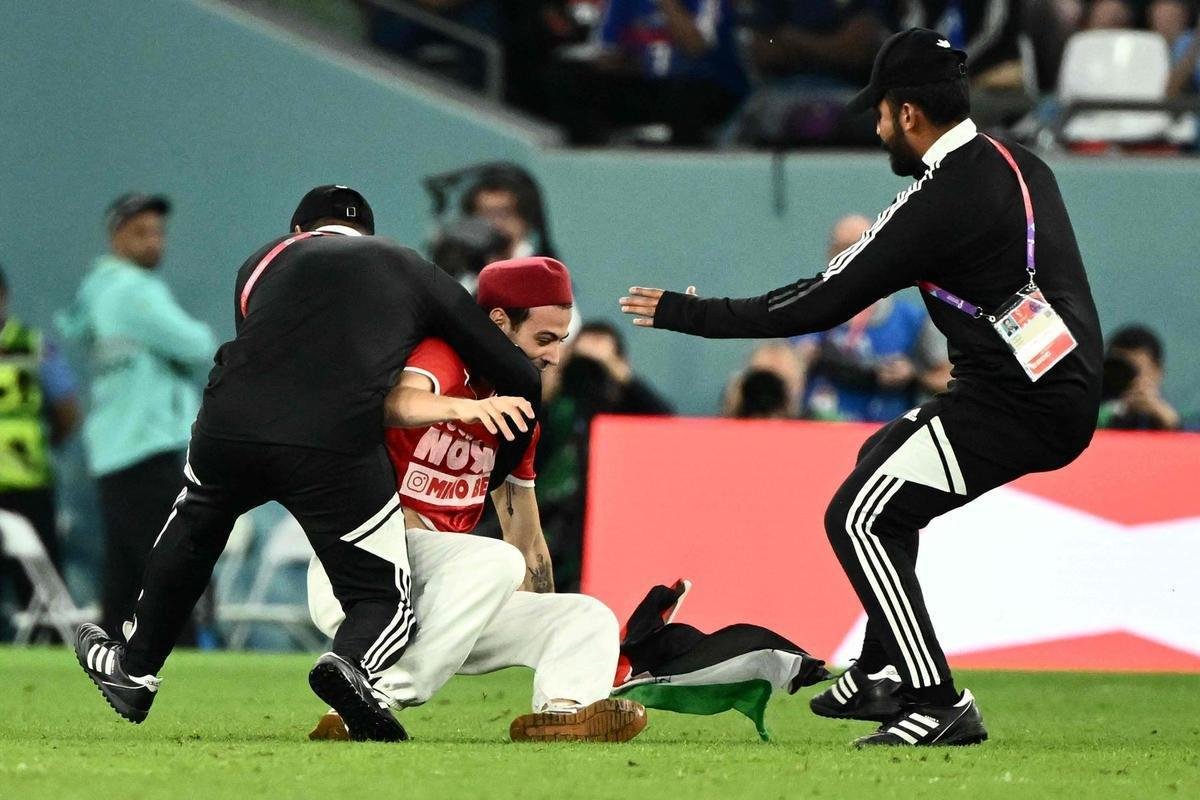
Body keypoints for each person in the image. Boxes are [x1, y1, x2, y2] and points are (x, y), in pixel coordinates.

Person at [621, 28, 1103, 746]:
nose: (877, 129)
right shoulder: (1018, 161)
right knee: (878, 464)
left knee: (858, 517)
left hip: (1018, 402)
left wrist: (690, 313)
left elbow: (820, 300)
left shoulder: (938, 203)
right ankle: (880, 673)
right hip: (1052, 386)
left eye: (879, 113)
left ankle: (937, 700)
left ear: (908, 113)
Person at [72, 185, 541, 743]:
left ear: (299, 231)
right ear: (367, 236)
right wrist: (499, 463)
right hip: (334, 438)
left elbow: (266, 337)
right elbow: (516, 370)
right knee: (381, 598)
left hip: (230, 422)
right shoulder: (410, 267)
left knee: (195, 529)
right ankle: (351, 663)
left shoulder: (264, 258)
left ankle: (135, 668)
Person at [308, 257, 646, 743]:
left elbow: (528, 542)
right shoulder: (445, 356)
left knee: (587, 616)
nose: (554, 356)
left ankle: (565, 710)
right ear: (499, 322)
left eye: (561, 341)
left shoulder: (516, 415)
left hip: (446, 601)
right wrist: (467, 408)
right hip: (364, 577)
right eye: (544, 339)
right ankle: (371, 696)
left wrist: (558, 630)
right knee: (496, 561)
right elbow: (396, 403)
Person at [55, 194, 216, 638]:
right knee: (168, 564)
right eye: (141, 233)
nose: (154, 242)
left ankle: (109, 654)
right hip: (146, 445)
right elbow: (197, 345)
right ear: (116, 238)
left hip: (113, 448)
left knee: (126, 571)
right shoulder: (133, 290)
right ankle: (176, 651)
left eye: (158, 232)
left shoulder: (97, 291)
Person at [796, 214, 951, 422]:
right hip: (819, 431)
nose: (849, 257)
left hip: (884, 433)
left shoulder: (910, 319)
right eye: (841, 249)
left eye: (859, 247)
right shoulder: (808, 312)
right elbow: (775, 372)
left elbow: (950, 379)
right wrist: (800, 361)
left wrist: (914, 376)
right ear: (829, 254)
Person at [543, 0, 748, 146]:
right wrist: (636, 62)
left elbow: (695, 47)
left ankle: (688, 171)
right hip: (647, 82)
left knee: (685, 94)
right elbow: (607, 54)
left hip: (706, 85)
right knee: (568, 76)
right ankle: (589, 159)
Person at [0, 265, 81, 627]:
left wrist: (44, 444)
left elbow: (67, 410)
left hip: (29, 484)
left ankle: (47, 641)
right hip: (28, 481)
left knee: (40, 589)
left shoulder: (34, 347)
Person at [1098, 325, 1181, 430]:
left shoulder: (1170, 419)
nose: (1125, 378)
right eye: (1118, 370)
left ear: (1158, 371)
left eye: (1134, 370)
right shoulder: (1092, 407)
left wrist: (1169, 421)